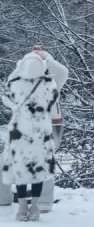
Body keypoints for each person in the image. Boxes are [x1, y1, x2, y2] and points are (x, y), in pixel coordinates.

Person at [0, 48, 67, 213]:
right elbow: (62, 73)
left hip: (28, 129)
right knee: (41, 165)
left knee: (23, 165)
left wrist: (42, 59)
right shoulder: (49, 83)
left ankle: (37, 202)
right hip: (40, 128)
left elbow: (8, 93)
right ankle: (36, 203)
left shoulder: (45, 80)